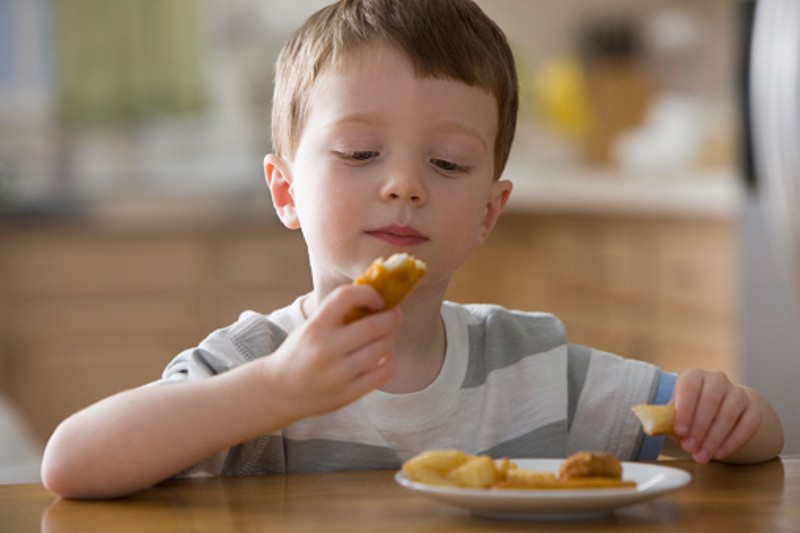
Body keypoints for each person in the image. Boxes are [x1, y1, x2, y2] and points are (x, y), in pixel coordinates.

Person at [41, 0, 784, 499]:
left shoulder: (533, 365)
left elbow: (752, 439)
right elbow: (71, 462)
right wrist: (276, 391)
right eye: (360, 152)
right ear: (285, 190)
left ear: (491, 211)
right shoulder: (251, 366)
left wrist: (732, 413)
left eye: (449, 164)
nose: (403, 185)